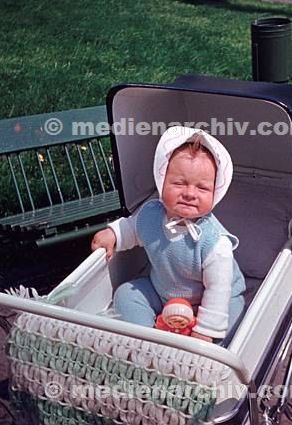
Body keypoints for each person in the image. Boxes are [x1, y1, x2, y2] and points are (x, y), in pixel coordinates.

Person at [91, 126, 246, 343]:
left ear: (215, 192)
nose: (190, 193)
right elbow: (132, 229)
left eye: (202, 188)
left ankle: (201, 343)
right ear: (161, 180)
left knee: (232, 316)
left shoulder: (215, 242)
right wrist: (113, 235)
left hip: (211, 300)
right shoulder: (151, 214)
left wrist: (206, 330)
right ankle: (148, 341)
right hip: (162, 292)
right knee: (126, 294)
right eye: (179, 183)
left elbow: (218, 289)